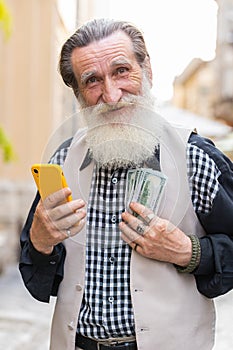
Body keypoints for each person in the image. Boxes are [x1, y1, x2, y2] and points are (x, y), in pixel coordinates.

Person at [19, 18, 233, 350]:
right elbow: (39, 275)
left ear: (147, 70)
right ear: (78, 95)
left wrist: (190, 252)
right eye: (92, 80)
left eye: (121, 71)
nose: (112, 94)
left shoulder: (197, 159)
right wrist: (40, 239)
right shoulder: (62, 161)